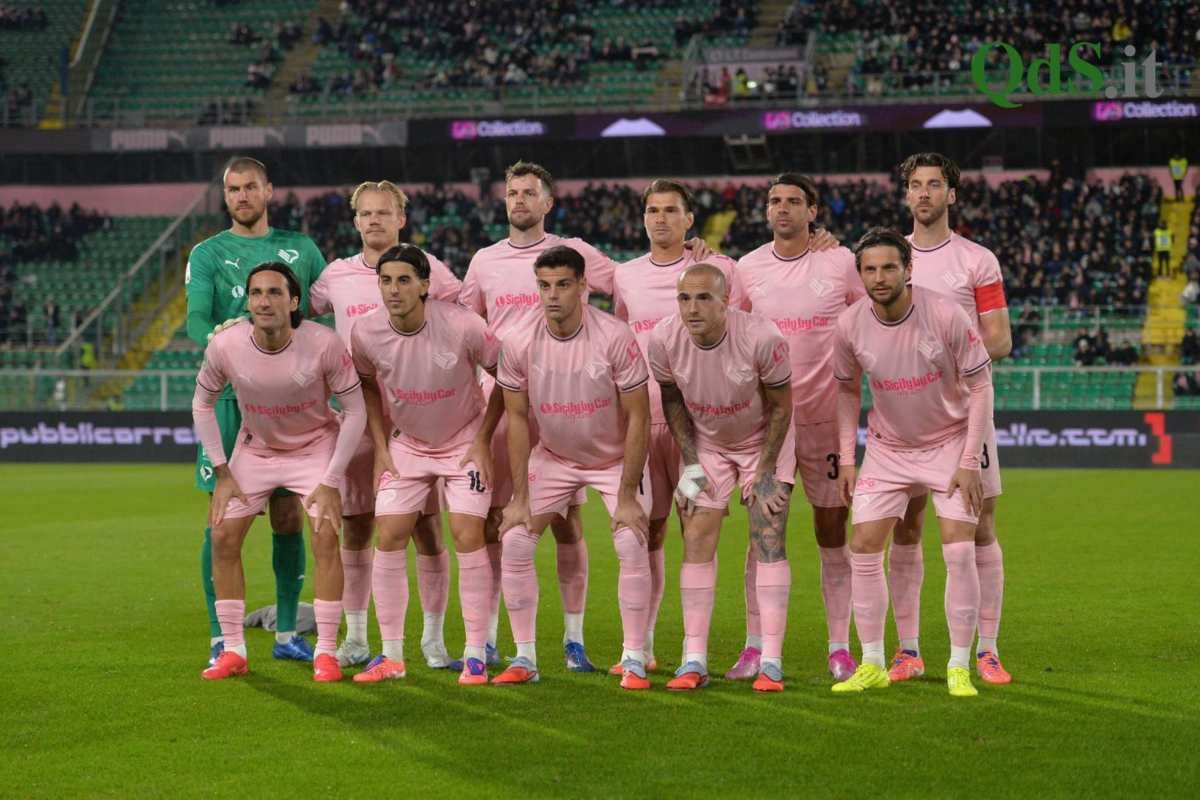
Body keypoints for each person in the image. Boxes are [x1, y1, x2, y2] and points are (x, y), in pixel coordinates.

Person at [460, 160, 649, 671]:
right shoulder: (484, 262)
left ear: (547, 202)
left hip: (586, 400)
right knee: (505, 523)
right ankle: (500, 642)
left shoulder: (578, 254)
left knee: (574, 528)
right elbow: (466, 322)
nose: (518, 200)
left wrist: (686, 255)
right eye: (511, 193)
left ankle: (581, 640)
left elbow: (633, 281)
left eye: (528, 193)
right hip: (512, 398)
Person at [309, 180, 464, 670]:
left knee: (427, 531)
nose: (374, 221)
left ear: (401, 219)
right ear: (355, 221)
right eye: (366, 214)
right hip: (356, 419)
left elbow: (466, 312)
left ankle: (433, 640)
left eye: (384, 213)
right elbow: (296, 310)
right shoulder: (334, 276)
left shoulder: (428, 268)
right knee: (355, 528)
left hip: (421, 420)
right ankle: (356, 637)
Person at [831, 228, 993, 698]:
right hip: (888, 447)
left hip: (948, 442)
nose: (879, 277)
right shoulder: (850, 324)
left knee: (959, 549)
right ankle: (874, 662)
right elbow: (845, 390)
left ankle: (959, 665)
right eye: (869, 269)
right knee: (862, 546)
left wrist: (968, 460)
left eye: (888, 267)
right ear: (859, 274)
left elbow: (982, 386)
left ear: (908, 269)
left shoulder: (945, 314)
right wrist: (846, 459)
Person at [185, 156, 327, 667]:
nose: (241, 196)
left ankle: (288, 631)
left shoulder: (303, 249)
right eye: (232, 189)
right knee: (221, 517)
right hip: (228, 399)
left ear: (269, 191)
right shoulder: (208, 253)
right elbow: (196, 314)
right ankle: (221, 636)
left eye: (250, 187)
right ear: (225, 196)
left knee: (288, 515)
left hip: (290, 401)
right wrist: (214, 335)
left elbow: (326, 309)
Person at [194, 263, 367, 682]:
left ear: (294, 302)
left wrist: (330, 482)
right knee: (222, 535)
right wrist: (223, 472)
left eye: (274, 293)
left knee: (326, 534)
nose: (263, 301)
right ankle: (233, 650)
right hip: (257, 449)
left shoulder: (324, 344)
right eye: (255, 293)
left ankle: (326, 651)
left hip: (314, 448)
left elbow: (356, 410)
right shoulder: (225, 346)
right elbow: (202, 404)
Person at [491, 245, 654, 688]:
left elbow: (639, 415)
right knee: (516, 540)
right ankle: (525, 658)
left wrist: (626, 495)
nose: (552, 295)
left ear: (583, 286)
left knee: (630, 541)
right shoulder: (519, 340)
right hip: (556, 457)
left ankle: (634, 658)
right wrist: (520, 498)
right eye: (544, 286)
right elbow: (518, 418)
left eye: (563, 285)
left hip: (614, 459)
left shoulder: (615, 336)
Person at [349, 244, 504, 686]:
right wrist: (380, 446)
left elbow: (506, 376)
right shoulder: (365, 332)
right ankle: (391, 655)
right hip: (409, 445)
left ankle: (475, 654)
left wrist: (481, 439)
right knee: (390, 533)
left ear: (424, 285)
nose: (393, 290)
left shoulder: (462, 325)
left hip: (463, 444)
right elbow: (366, 385)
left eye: (403, 280)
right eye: (385, 281)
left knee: (467, 533)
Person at [607, 179, 744, 676]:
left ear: (690, 220)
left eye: (670, 211)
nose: (659, 219)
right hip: (644, 424)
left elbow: (740, 335)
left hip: (700, 428)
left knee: (696, 534)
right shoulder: (624, 276)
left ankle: (694, 653)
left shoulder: (720, 271)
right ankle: (638, 647)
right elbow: (623, 342)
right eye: (652, 210)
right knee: (648, 533)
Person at [732, 173, 866, 682]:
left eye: (793, 202)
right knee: (763, 533)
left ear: (813, 212)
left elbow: (866, 320)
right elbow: (734, 333)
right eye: (774, 201)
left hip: (827, 420)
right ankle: (754, 646)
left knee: (832, 530)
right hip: (771, 424)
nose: (781, 209)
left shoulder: (840, 262)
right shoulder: (747, 269)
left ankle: (840, 646)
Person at [888, 153, 1013, 686]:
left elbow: (1001, 339)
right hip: (905, 417)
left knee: (979, 524)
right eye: (915, 186)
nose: (923, 194)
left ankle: (987, 649)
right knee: (906, 525)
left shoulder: (977, 260)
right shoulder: (886, 257)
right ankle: (908, 649)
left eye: (934, 185)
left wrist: (939, 359)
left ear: (951, 195)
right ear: (906, 195)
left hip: (964, 415)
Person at [648, 264, 796, 692]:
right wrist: (690, 463)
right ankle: (693, 659)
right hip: (708, 444)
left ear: (726, 300)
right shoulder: (662, 339)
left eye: (703, 298)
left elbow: (783, 407)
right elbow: (673, 400)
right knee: (696, 536)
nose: (692, 309)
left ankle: (771, 661)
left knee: (768, 536)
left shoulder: (763, 338)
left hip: (764, 441)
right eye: (684, 299)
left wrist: (766, 470)